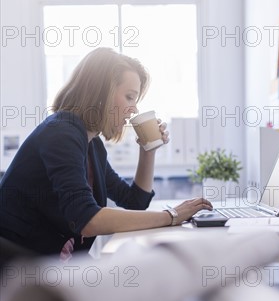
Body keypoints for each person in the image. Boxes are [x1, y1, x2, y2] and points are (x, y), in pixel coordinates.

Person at [0, 48, 212, 258]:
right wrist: (172, 216)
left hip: (49, 263)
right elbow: (87, 219)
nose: (134, 109)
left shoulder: (93, 144)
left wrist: (148, 150)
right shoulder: (62, 132)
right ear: (101, 93)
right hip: (18, 266)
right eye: (130, 97)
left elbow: (134, 202)